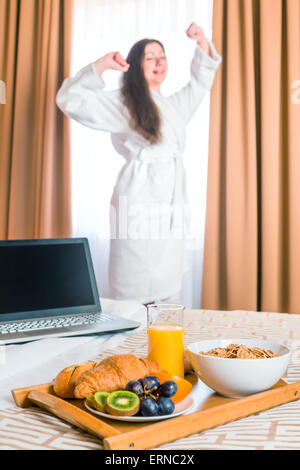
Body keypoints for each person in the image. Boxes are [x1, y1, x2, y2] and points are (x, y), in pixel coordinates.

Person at [56, 22, 222, 306]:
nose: (159, 62)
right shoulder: (124, 103)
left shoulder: (174, 106)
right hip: (136, 200)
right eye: (150, 57)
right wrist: (102, 65)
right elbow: (71, 100)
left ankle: (163, 343)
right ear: (135, 65)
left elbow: (200, 82)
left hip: (171, 204)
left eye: (162, 56)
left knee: (168, 286)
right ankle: (129, 342)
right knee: (134, 278)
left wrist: (202, 41)